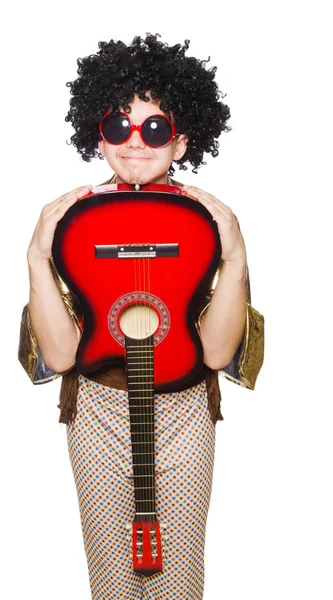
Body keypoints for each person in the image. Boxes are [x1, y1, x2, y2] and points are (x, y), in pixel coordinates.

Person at [18, 33, 264, 600]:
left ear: (179, 142)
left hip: (184, 409)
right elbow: (57, 356)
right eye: (117, 125)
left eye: (155, 129)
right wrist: (36, 254)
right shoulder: (71, 222)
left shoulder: (207, 222)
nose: (135, 142)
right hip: (98, 406)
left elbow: (221, 353)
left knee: (178, 582)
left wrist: (236, 255)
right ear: (96, 131)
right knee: (111, 581)